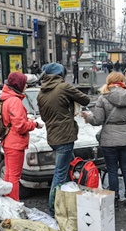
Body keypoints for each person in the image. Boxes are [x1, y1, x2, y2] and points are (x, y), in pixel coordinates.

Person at [37, 62, 90, 217]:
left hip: (52, 137)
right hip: (65, 137)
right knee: (60, 174)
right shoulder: (63, 87)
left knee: (69, 169)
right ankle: (53, 209)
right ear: (60, 74)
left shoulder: (41, 93)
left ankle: (67, 203)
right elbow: (85, 99)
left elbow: (45, 117)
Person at [83, 72, 126, 208]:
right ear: (121, 81)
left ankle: (114, 199)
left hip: (109, 140)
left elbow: (97, 120)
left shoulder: (103, 98)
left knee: (112, 169)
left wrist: (88, 117)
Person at [0, 72, 42, 201]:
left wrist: (26, 120)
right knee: (14, 176)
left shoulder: (6, 98)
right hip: (15, 144)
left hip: (8, 141)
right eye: (24, 83)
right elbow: (20, 126)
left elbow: (14, 121)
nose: (26, 85)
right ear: (18, 85)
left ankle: (8, 200)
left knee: (8, 174)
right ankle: (13, 202)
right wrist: (34, 124)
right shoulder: (15, 101)